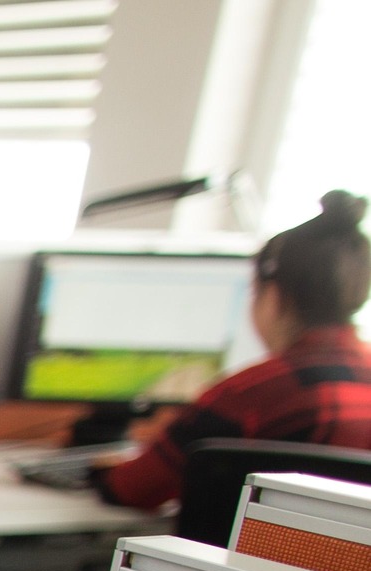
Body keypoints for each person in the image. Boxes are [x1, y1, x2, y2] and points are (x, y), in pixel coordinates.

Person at [95, 191, 371, 510]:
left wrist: (102, 468)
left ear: (275, 296)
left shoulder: (249, 394)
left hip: (235, 557)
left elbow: (131, 491)